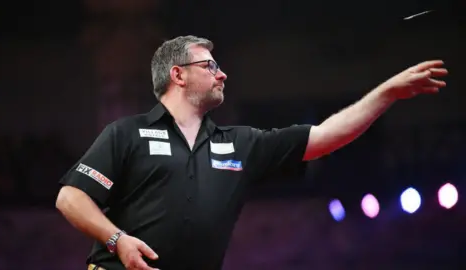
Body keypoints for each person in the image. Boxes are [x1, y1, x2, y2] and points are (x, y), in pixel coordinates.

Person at [56, 35, 448, 270]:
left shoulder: (242, 143)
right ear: (178, 75)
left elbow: (327, 135)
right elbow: (70, 196)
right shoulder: (127, 133)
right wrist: (117, 239)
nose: (222, 73)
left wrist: (386, 94)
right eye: (210, 66)